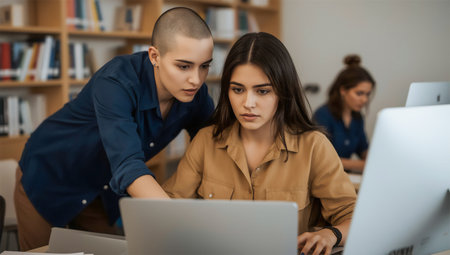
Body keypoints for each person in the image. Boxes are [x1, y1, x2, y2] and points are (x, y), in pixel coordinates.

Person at [14, 7, 214, 251]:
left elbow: (214, 145)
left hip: (99, 189)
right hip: (49, 174)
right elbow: (128, 164)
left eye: (204, 66)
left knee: (113, 250)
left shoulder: (196, 94)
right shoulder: (116, 81)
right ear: (155, 56)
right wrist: (179, 224)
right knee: (44, 253)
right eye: (184, 66)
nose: (196, 79)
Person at [162, 32, 357, 255]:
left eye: (262, 91)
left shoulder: (314, 146)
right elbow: (168, 209)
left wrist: (331, 234)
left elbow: (353, 217)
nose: (248, 103)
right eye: (237, 90)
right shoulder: (206, 141)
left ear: (283, 92)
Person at [313, 55, 375, 173]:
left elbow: (363, 150)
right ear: (343, 90)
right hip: (324, 178)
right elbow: (320, 159)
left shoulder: (357, 118)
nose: (364, 100)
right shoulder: (323, 115)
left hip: (345, 177)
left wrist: (373, 159)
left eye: (367, 94)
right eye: (359, 93)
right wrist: (363, 165)